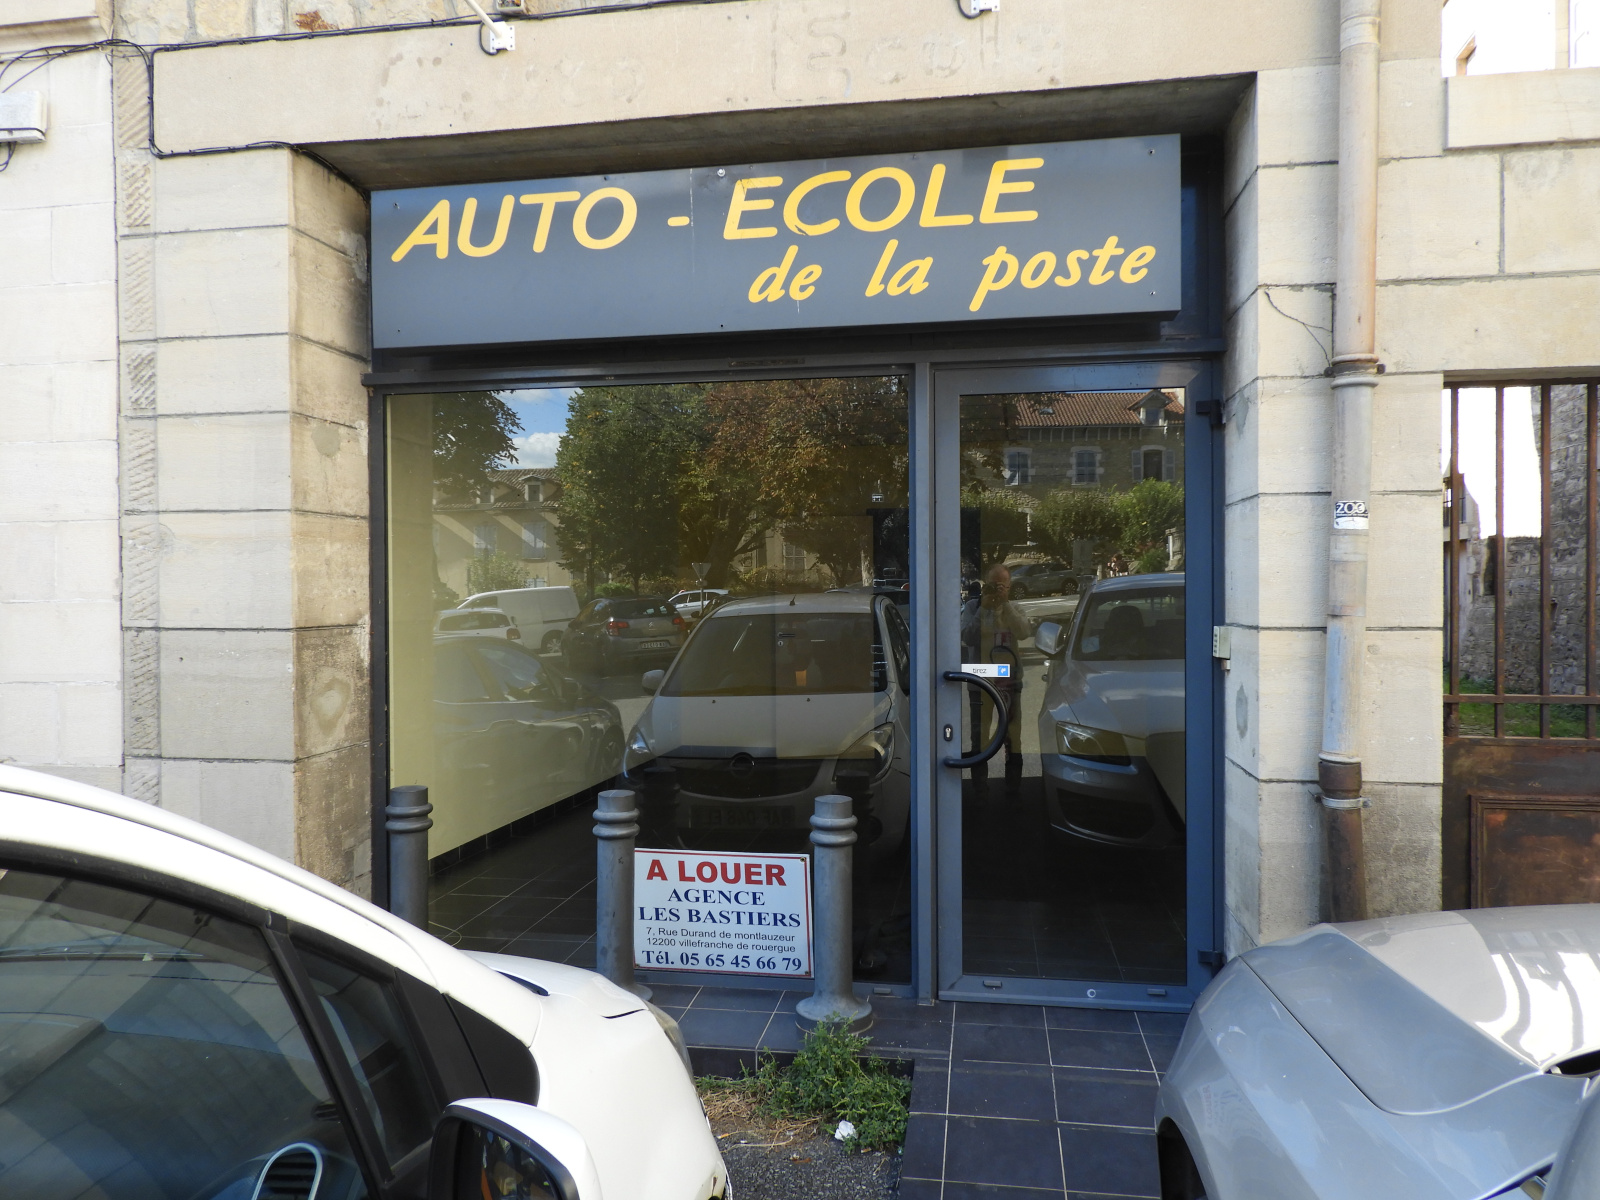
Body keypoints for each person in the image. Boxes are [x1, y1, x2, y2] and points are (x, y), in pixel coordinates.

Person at [960, 563, 1029, 797]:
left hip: (1009, 680)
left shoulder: (1014, 607)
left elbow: (1023, 632)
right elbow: (967, 637)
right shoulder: (973, 607)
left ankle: (1014, 790)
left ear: (1009, 587)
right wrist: (984, 608)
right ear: (984, 585)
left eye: (1002, 586)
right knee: (979, 738)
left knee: (1013, 738)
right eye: (992, 585)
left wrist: (1005, 605)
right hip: (981, 680)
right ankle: (980, 791)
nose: (997, 590)